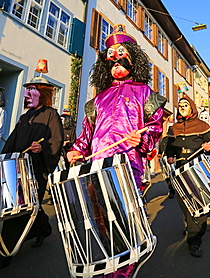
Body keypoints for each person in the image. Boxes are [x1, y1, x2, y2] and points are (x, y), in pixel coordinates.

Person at [67, 24, 166, 277]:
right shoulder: (97, 99)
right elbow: (86, 135)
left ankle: (124, 270)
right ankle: (110, 264)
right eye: (112, 64)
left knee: (124, 219)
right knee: (100, 219)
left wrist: (141, 139)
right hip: (97, 166)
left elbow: (155, 127)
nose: (117, 67)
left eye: (121, 62)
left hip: (127, 165)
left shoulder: (145, 93)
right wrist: (77, 150)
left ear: (132, 62)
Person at [1, 76, 63, 267]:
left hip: (36, 170)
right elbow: (11, 142)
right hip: (18, 169)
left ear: (42, 94)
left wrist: (42, 149)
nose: (26, 94)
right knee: (30, 205)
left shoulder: (51, 114)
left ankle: (5, 252)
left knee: (19, 210)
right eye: (26, 90)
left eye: (32, 90)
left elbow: (56, 141)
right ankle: (43, 227)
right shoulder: (23, 117)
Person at [161, 93, 210, 258]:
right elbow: (170, 145)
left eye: (185, 105)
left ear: (192, 108)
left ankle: (194, 240)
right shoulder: (174, 128)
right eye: (180, 106)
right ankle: (191, 223)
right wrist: (170, 155)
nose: (182, 108)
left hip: (198, 167)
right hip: (180, 169)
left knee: (198, 203)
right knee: (184, 202)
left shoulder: (202, 125)